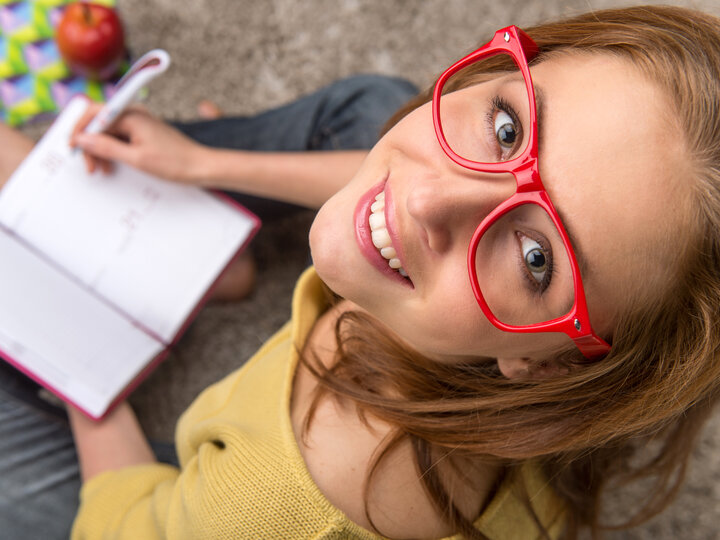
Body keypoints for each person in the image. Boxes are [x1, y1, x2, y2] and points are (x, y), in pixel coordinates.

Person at [3, 4, 720, 539]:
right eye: (507, 127)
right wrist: (205, 165)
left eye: (537, 258)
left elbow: (125, 526)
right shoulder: (597, 347)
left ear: (552, 365)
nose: (426, 198)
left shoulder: (290, 494)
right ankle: (198, 213)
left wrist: (81, 352)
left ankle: (145, 225)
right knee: (379, 109)